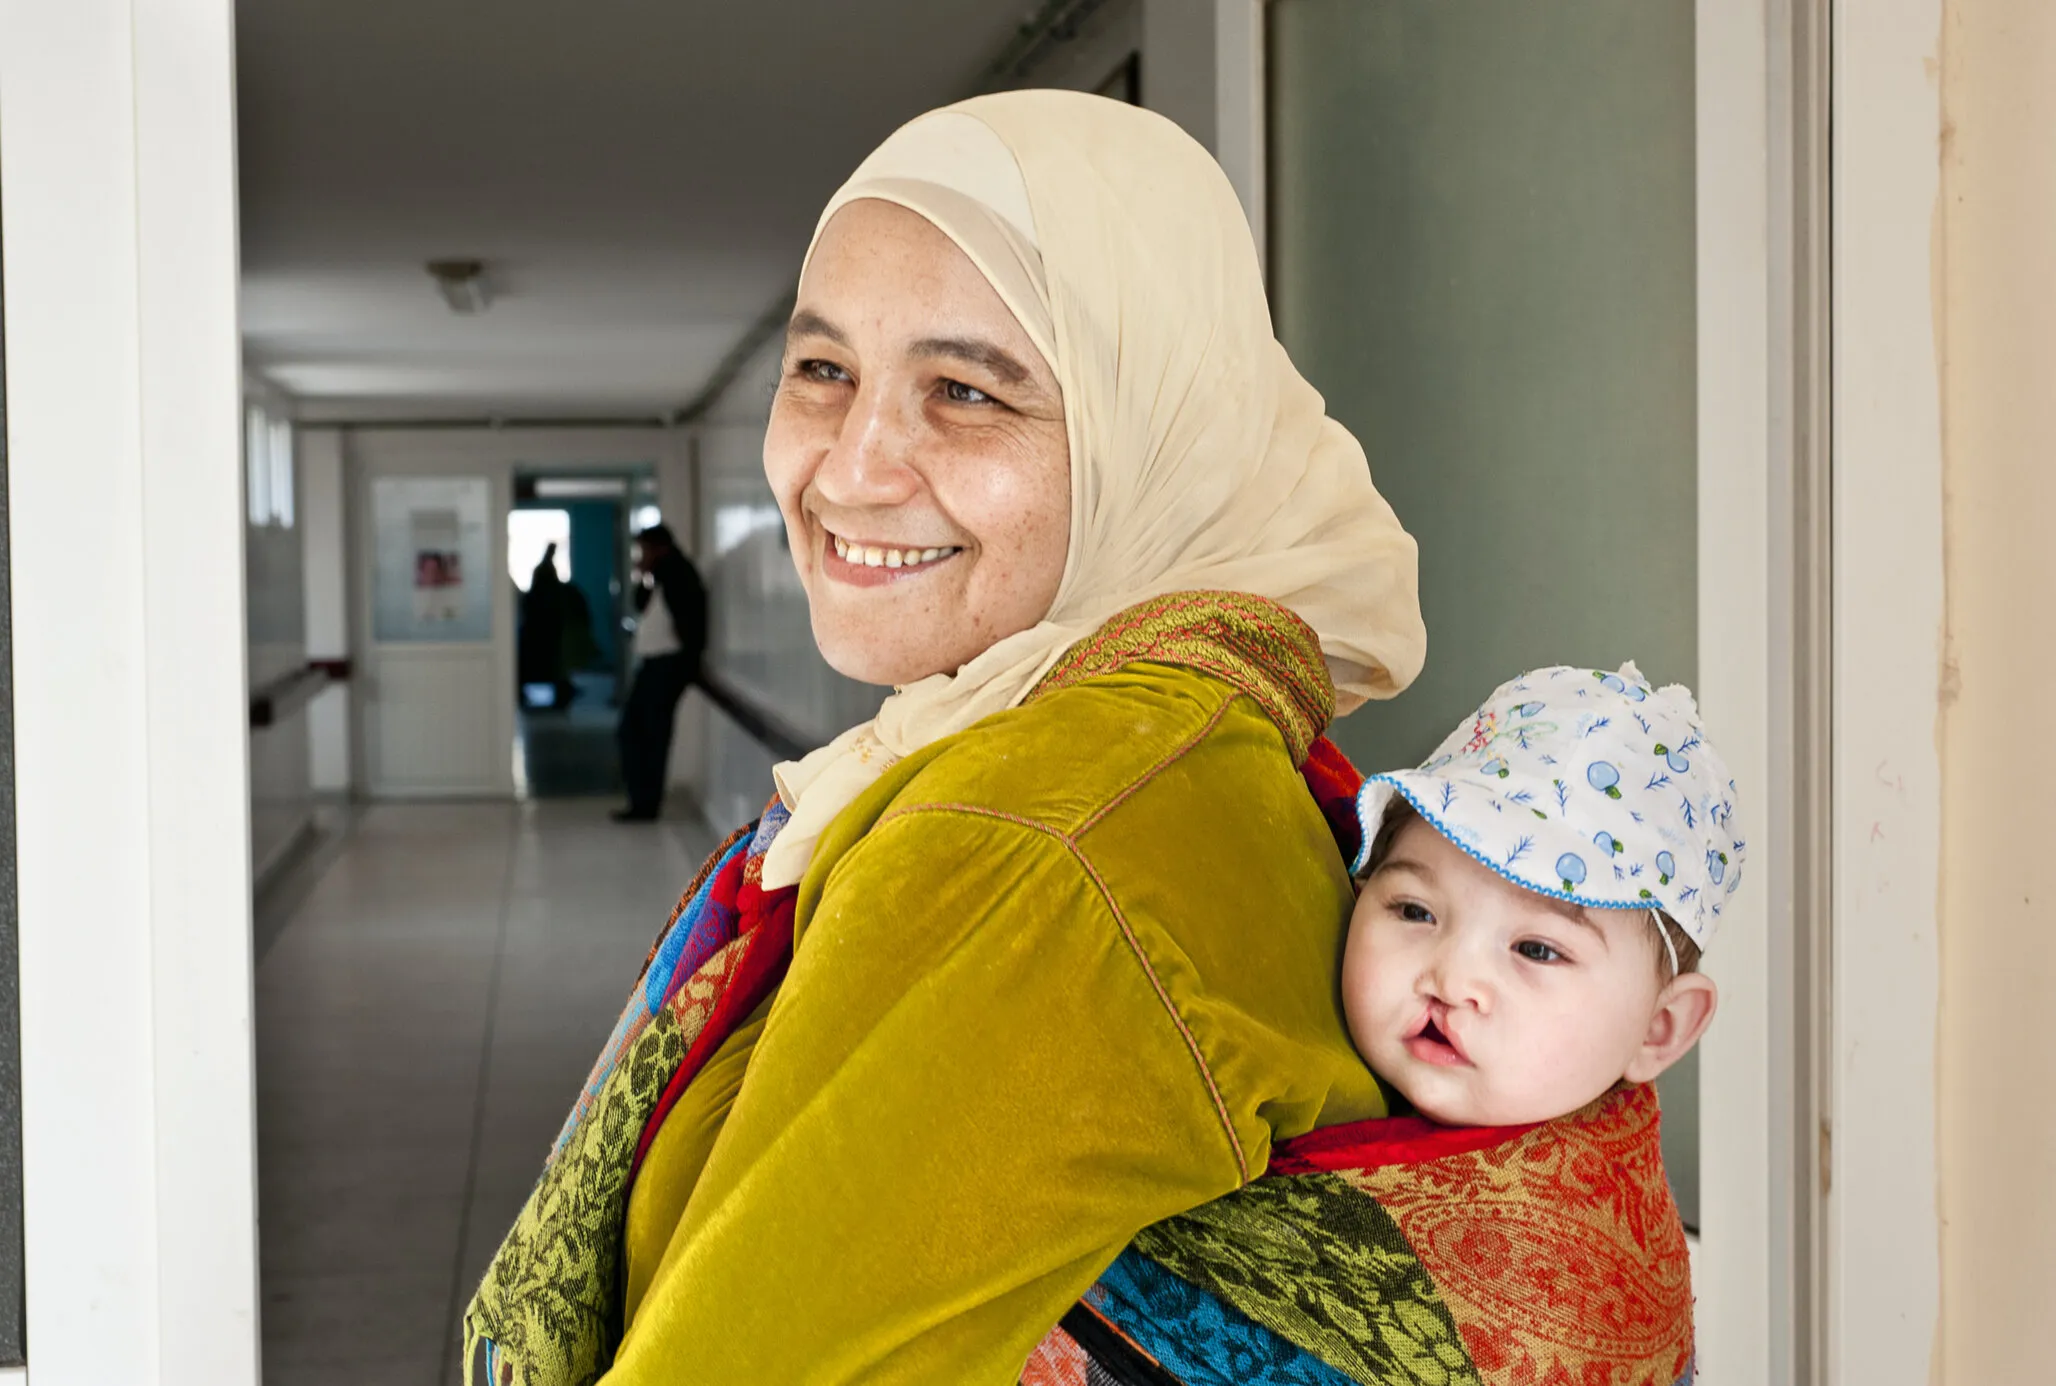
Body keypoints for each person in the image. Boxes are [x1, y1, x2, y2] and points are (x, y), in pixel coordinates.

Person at [464, 90, 1424, 1386]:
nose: (852, 469)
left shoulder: (1035, 838)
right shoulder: (1204, 732)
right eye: (823, 369)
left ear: (1156, 434)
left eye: (968, 390)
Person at [1027, 663, 1740, 1383]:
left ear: (1660, 1030)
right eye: (1414, 911)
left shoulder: (1584, 1285)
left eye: (1536, 949)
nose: (1451, 979)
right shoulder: (1262, 1046)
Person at [612, 523, 707, 822]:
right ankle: (642, 801)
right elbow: (641, 604)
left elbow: (689, 622)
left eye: (645, 549)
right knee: (637, 731)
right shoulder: (661, 574)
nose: (642, 555)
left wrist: (684, 657)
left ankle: (645, 804)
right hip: (657, 664)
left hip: (668, 665)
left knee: (647, 733)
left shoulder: (678, 574)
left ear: (660, 547)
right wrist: (644, 574)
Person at [517, 543, 572, 710]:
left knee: (547, 662)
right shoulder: (544, 571)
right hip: (542, 626)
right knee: (545, 662)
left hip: (543, 625)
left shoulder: (545, 571)